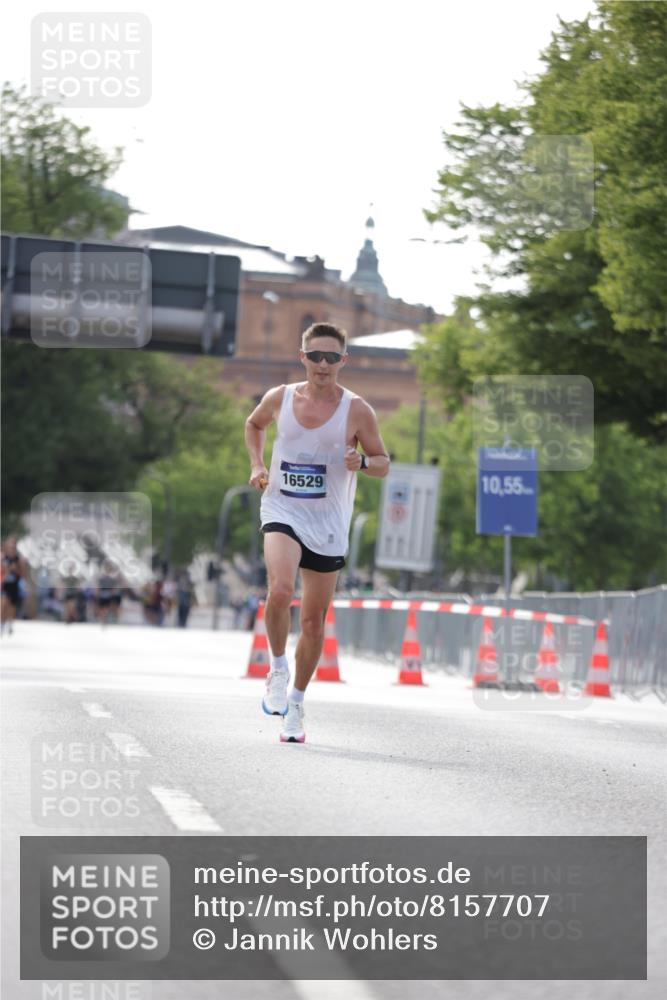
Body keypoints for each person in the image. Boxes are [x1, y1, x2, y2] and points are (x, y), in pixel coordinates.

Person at [245, 322, 389, 743]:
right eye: (315, 356)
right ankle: (276, 668)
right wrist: (257, 465)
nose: (322, 365)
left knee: (311, 621)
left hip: (328, 521)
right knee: (280, 590)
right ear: (302, 357)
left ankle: (297, 705)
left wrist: (361, 463)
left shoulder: (357, 410)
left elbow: (383, 462)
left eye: (331, 358)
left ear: (343, 361)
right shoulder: (281, 397)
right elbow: (254, 425)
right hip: (282, 506)